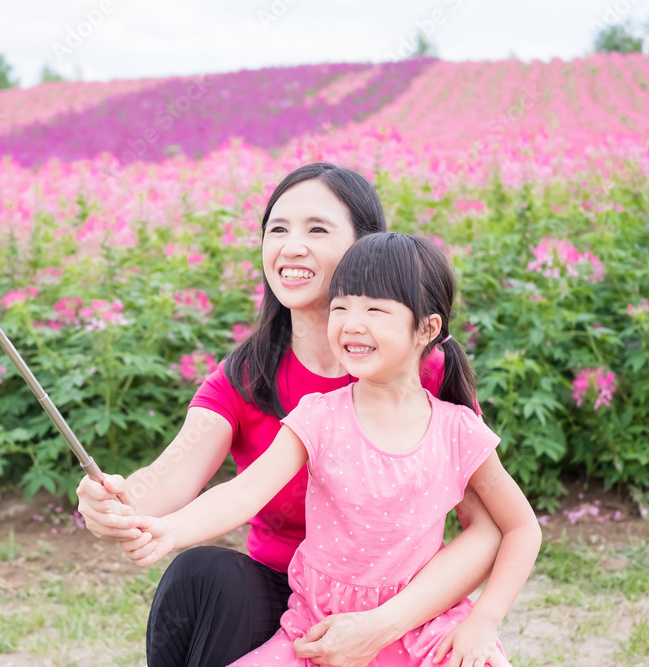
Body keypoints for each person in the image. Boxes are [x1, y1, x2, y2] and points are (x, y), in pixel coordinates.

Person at [77, 163, 503, 666]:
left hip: (400, 601)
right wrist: (120, 502)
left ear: (366, 247)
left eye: (317, 229)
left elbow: (491, 525)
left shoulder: (417, 371)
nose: (291, 246)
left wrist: (383, 624)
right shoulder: (249, 373)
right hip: (290, 597)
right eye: (277, 229)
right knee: (198, 576)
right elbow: (174, 473)